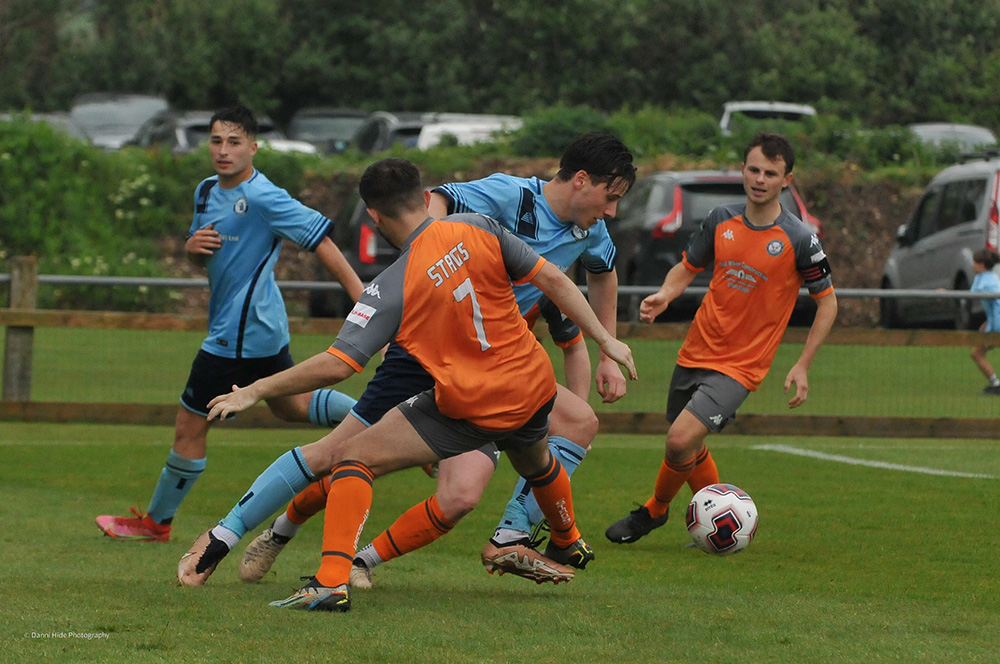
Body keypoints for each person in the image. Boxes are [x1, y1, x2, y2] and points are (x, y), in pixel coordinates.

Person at [176, 158, 637, 614]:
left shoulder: (391, 285)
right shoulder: (480, 224)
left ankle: (327, 580)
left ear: (374, 218)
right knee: (544, 451)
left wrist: (256, 389)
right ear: (423, 198)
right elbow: (555, 278)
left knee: (352, 457)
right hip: (531, 387)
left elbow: (339, 363)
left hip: (470, 400)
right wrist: (607, 341)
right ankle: (566, 538)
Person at [95, 105, 364, 542]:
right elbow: (204, 250)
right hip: (263, 326)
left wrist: (364, 301)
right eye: (216, 141)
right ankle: (377, 422)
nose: (223, 150)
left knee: (190, 425)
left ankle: (155, 524)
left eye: (234, 142)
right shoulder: (205, 191)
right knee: (289, 405)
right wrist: (190, 249)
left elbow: (324, 242)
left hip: (238, 335)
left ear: (253, 148)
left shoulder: (265, 197)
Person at [605, 132, 838, 544]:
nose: (760, 179)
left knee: (679, 439)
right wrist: (664, 294)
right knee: (686, 447)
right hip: (696, 349)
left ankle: (653, 511)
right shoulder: (719, 220)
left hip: (741, 366)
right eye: (753, 169)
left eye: (771, 173)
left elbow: (828, 303)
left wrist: (803, 364)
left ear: (787, 180)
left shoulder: (800, 239)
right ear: (743, 171)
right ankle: (716, 519)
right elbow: (687, 266)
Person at [969, 248, 1000, 395]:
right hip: (994, 322)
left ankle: (996, 384)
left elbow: (971, 295)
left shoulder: (988, 282)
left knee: (976, 354)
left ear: (982, 264)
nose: (972, 265)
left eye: (975, 262)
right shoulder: (984, 277)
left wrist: (992, 328)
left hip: (997, 325)